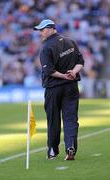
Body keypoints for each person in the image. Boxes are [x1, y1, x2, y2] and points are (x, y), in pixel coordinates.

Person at [34, 19, 84, 160]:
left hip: (53, 88)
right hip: (71, 86)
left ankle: (52, 151)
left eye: (42, 29)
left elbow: (49, 71)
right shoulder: (71, 42)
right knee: (71, 118)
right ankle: (70, 147)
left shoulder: (46, 47)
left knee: (53, 120)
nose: (40, 33)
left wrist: (63, 76)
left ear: (51, 29)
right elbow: (81, 62)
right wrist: (73, 72)